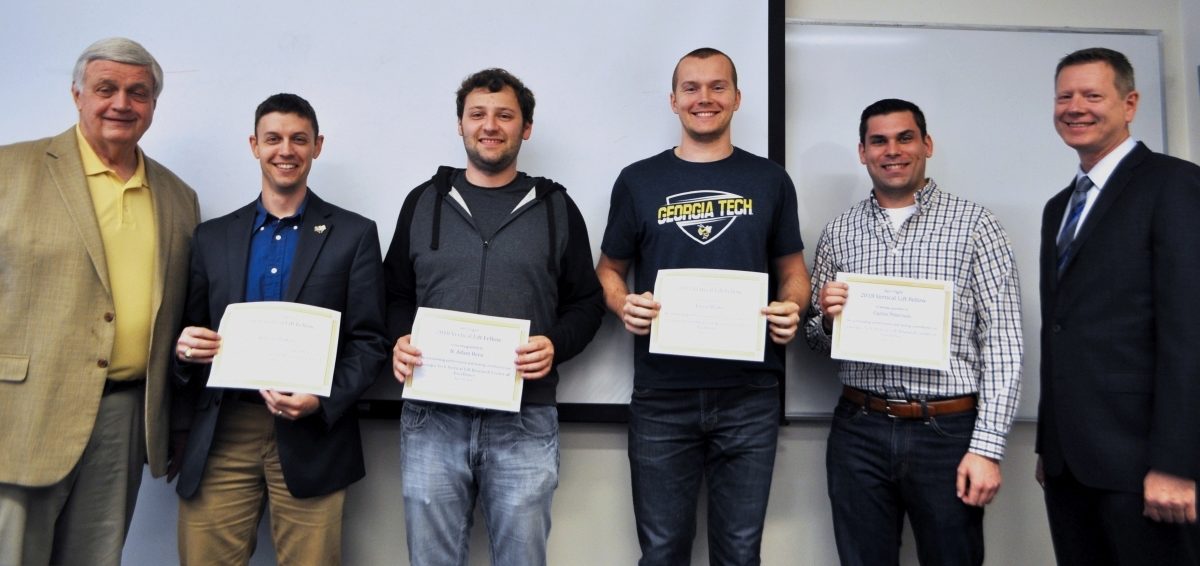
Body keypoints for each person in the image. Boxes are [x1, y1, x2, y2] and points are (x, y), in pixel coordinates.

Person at [595, 47, 810, 565]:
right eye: (691, 87)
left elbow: (794, 274)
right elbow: (608, 270)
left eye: (717, 87)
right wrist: (624, 305)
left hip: (750, 395)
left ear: (737, 98)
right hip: (662, 395)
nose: (704, 98)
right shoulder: (638, 181)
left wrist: (792, 308)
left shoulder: (770, 181)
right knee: (663, 551)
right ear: (673, 101)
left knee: (739, 552)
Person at [385, 68, 604, 566]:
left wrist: (557, 344)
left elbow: (587, 303)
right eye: (477, 114)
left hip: (524, 419)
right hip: (432, 418)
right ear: (460, 125)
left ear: (526, 128)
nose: (490, 125)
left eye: (504, 115)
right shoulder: (422, 203)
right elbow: (393, 292)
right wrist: (397, 340)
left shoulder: (557, 209)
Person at [0, 37, 199, 566]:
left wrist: (177, 420)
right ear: (76, 95)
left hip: (125, 418)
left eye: (138, 93)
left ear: (153, 106)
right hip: (22, 413)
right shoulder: (9, 170)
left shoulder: (179, 197)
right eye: (106, 88)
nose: (121, 104)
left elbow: (180, 313)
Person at [171, 93, 388, 566]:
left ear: (317, 146)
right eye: (273, 138)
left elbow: (371, 342)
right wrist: (186, 349)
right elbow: (189, 332)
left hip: (313, 434)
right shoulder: (212, 237)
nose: (285, 150)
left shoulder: (354, 235)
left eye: (298, 139)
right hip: (224, 430)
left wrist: (322, 399)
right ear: (254, 145)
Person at [804, 98, 1023, 565]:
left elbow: (1004, 343)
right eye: (878, 141)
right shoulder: (839, 232)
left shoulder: (976, 226)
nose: (892, 151)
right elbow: (815, 340)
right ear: (862, 152)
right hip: (858, 430)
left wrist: (987, 448)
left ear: (926, 144)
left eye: (905, 138)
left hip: (947, 434)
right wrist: (825, 318)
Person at [1037, 47, 1200, 565]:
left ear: (1130, 104)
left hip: (1145, 467)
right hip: (1070, 465)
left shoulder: (1173, 185)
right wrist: (1049, 442)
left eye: (1092, 95)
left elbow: (1190, 330)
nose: (1075, 107)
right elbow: (1061, 330)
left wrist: (1178, 463)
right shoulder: (1059, 207)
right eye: (1065, 96)